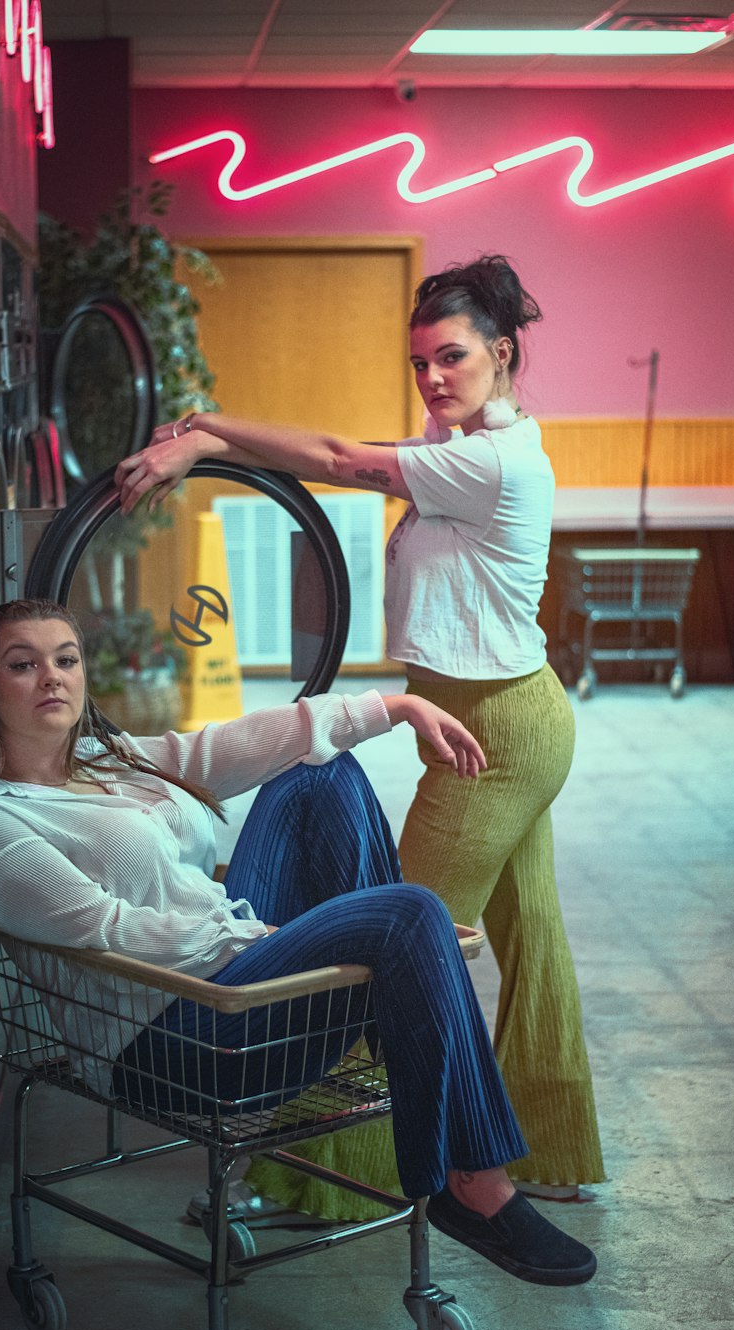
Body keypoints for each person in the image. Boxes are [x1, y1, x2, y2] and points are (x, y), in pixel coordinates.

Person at [114, 253, 605, 1219]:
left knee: (393, 947)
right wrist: (217, 436)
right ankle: (548, 1146)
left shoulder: (491, 460)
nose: (433, 378)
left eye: (453, 358)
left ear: (502, 354)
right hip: (506, 715)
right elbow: (355, 452)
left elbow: (339, 458)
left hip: (494, 736)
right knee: (529, 935)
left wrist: (205, 433)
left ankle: (329, 1177)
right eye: (420, 362)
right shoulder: (473, 440)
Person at [0, 598, 597, 1286]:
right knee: (409, 917)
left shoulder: (107, 759)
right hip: (168, 1033)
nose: (51, 677)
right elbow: (102, 927)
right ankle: (476, 1182)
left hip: (232, 970)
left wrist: (390, 709)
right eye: (22, 664)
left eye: (66, 659)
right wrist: (249, 934)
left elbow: (220, 746)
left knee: (321, 770)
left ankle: (387, 1021)